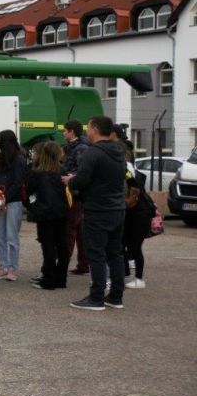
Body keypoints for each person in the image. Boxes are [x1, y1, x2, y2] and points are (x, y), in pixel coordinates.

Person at [64, 115, 127, 311]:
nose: (87, 131)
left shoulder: (93, 152)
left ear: (95, 129)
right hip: (117, 208)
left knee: (96, 254)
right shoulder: (118, 152)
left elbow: (82, 180)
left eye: (89, 128)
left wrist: (70, 181)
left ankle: (96, 297)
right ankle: (115, 296)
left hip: (97, 210)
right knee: (115, 254)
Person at [26, 141, 71, 290]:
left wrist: (32, 206)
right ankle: (61, 278)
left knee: (48, 247)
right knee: (62, 245)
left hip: (44, 212)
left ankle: (49, 279)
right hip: (62, 212)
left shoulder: (37, 172)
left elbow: (29, 190)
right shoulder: (63, 171)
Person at [0, 130, 28, 281]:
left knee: (12, 236)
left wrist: (4, 198)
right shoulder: (0, 159)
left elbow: (18, 182)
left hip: (12, 201)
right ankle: (4, 266)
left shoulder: (19, 159)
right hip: (0, 200)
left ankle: (12, 267)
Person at [61, 120, 91, 276]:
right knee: (79, 231)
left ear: (71, 131)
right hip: (75, 193)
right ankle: (83, 264)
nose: (63, 133)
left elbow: (82, 172)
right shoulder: (76, 147)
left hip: (75, 194)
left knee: (71, 229)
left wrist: (71, 178)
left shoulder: (80, 149)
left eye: (65, 131)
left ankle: (64, 263)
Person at [123, 153, 156, 290]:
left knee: (134, 247)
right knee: (123, 244)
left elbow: (131, 187)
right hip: (136, 214)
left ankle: (139, 278)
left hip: (140, 215)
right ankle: (126, 274)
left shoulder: (128, 174)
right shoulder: (131, 173)